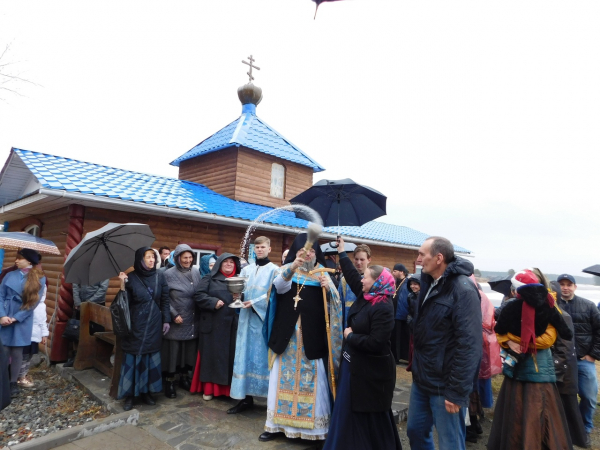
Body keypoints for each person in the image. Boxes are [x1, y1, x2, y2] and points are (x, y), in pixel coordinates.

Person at [260, 233, 343, 442]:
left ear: (317, 255)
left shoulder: (324, 276)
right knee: (281, 382)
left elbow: (336, 309)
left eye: (311, 252)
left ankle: (313, 431)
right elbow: (279, 287)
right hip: (287, 340)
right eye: (301, 252)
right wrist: (294, 265)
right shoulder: (285, 272)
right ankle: (275, 427)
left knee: (314, 384)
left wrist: (329, 289)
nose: (306, 255)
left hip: (312, 340)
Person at [323, 238, 401, 450]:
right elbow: (350, 274)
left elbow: (377, 342)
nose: (362, 280)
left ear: (377, 282)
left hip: (371, 372)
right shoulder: (367, 296)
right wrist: (341, 253)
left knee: (368, 414)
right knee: (348, 411)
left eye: (366, 277)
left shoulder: (383, 306)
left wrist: (350, 337)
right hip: (354, 366)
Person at [406, 237, 482, 450]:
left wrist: (457, 391)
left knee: (450, 443)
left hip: (446, 384)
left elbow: (470, 345)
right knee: (415, 432)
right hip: (423, 379)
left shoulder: (463, 290)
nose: (418, 259)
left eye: (422, 254)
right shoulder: (428, 283)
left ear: (439, 258)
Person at [488, 269, 574, 450]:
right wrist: (508, 340)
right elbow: (499, 331)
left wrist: (513, 339)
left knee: (537, 414)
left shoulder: (550, 305)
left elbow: (547, 340)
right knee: (515, 414)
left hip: (538, 371)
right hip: (517, 369)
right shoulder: (515, 305)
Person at [228, 237, 279, 414]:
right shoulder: (246, 269)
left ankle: (268, 401)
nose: (259, 250)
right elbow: (239, 290)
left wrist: (255, 302)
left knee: (260, 359)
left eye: (262, 247)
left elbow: (274, 296)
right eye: (257, 247)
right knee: (243, 357)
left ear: (269, 249)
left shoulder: (275, 271)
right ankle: (245, 399)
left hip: (261, 322)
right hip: (245, 320)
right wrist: (238, 298)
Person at [117, 247, 171, 411]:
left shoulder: (159, 276)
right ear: (140, 259)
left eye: (153, 257)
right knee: (134, 357)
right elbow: (122, 304)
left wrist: (166, 320)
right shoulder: (131, 278)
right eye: (148, 257)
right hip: (135, 323)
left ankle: (147, 392)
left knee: (149, 356)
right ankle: (130, 395)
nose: (151, 260)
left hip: (154, 323)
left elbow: (165, 299)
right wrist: (121, 285)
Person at [556, 273, 600, 443]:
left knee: (589, 397)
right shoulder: (553, 306)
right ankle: (564, 429)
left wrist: (593, 354)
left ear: (575, 286)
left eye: (569, 284)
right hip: (561, 360)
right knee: (563, 396)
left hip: (583, 360)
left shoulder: (588, 306)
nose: (565, 287)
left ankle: (585, 428)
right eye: (562, 284)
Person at [191, 253, 241, 400]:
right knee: (211, 359)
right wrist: (213, 302)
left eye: (232, 262)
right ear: (219, 263)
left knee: (229, 359)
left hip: (232, 326)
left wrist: (239, 297)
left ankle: (227, 391)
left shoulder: (239, 279)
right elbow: (198, 296)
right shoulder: (209, 278)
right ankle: (209, 390)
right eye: (225, 262)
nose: (229, 264)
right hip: (213, 325)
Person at [0, 249, 46, 398]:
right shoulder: (9, 275)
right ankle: (4, 382)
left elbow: (34, 303)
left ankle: (13, 382)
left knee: (17, 351)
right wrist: (2, 315)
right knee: (4, 350)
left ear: (29, 261)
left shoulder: (39, 278)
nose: (16, 261)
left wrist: (16, 317)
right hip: (5, 315)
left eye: (19, 258)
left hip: (23, 318)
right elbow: (0, 296)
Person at [162, 244, 201, 399]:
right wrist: (173, 314)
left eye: (190, 257)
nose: (188, 260)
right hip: (177, 318)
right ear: (177, 258)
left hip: (192, 318)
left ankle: (184, 378)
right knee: (174, 351)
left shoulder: (196, 271)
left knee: (188, 351)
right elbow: (164, 297)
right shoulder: (168, 273)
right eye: (184, 257)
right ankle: (170, 381)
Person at [17, 283, 48, 389]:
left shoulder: (42, 306)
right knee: (23, 356)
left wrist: (44, 334)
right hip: (25, 335)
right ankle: (20, 377)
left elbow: (43, 321)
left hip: (35, 335)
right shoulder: (26, 305)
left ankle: (23, 374)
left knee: (29, 356)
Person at [338, 244, 371, 328]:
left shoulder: (373, 280)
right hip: (347, 325)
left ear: (369, 260)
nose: (358, 262)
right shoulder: (344, 281)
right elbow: (338, 303)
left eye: (362, 259)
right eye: (356, 259)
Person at [392, 263, 410, 363]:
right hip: (395, 314)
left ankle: (404, 357)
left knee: (403, 337)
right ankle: (396, 356)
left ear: (401, 272)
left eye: (395, 271)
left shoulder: (407, 282)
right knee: (396, 337)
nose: (393, 273)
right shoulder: (396, 282)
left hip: (402, 314)